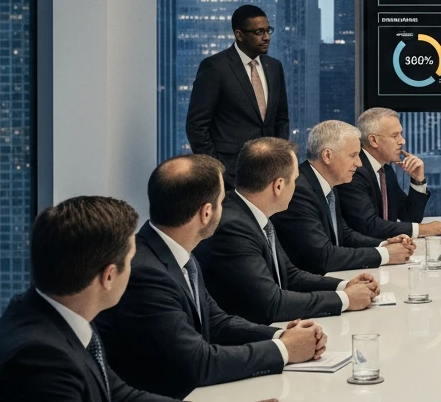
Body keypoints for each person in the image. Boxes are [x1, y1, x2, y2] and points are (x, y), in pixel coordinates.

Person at [95, 155, 327, 398]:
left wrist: (282, 335)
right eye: (222, 201)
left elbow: (217, 322)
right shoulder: (147, 273)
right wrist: (284, 349)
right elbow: (199, 363)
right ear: (206, 212)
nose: (225, 208)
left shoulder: (176, 251)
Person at [0, 196, 183, 402]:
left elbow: (116, 394)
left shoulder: (62, 310)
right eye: (131, 260)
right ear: (109, 276)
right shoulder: (39, 360)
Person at [194, 138, 380, 324]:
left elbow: (289, 275)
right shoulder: (234, 227)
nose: (297, 186)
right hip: (249, 336)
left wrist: (344, 286)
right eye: (295, 179)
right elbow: (272, 304)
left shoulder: (255, 213)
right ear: (278, 186)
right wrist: (345, 299)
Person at [274, 119, 416, 272]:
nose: (359, 163)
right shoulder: (299, 191)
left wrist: (384, 244)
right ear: (327, 156)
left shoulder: (329, 183)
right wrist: (385, 254)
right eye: (353, 155)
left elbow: (344, 235)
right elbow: (323, 256)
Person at [186, 4, 290, 180]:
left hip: (270, 172)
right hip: (231, 174)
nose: (266, 37)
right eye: (259, 32)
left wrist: (279, 159)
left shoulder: (274, 66)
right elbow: (197, 126)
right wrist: (219, 171)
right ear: (239, 35)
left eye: (268, 30)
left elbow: (281, 118)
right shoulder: (215, 67)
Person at [338, 107, 441, 238]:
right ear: (373, 140)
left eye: (401, 134)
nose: (402, 141)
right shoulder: (353, 170)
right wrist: (425, 229)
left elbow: (410, 216)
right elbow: (369, 226)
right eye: (395, 136)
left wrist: (418, 180)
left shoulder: (385, 170)